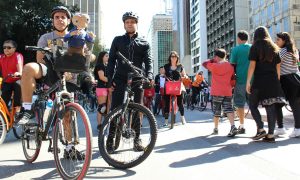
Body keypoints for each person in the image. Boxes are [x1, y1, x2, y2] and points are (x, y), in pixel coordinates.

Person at [15, 6, 72, 124]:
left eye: (63, 17)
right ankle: (27, 108)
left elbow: (86, 56)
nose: (60, 19)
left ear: (69, 21)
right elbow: (40, 60)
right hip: (50, 72)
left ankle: (70, 142)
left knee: (68, 117)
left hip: (69, 77)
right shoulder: (45, 37)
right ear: (53, 21)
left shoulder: (75, 38)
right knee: (29, 67)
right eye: (57, 17)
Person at [106, 11, 154, 153]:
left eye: (132, 21)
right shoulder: (117, 40)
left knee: (137, 108)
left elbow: (148, 61)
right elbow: (111, 61)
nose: (130, 24)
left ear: (136, 24)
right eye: (127, 22)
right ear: (124, 24)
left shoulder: (144, 42)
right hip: (120, 77)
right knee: (115, 108)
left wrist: (150, 76)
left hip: (138, 77)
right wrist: (110, 79)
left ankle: (137, 140)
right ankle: (110, 139)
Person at [246, 26, 286, 143]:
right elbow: (278, 68)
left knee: (252, 105)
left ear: (256, 36)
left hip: (259, 81)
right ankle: (270, 135)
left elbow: (252, 66)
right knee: (271, 107)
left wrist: (248, 81)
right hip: (273, 81)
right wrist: (277, 82)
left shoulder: (255, 47)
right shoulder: (274, 47)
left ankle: (261, 128)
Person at [203, 49, 237, 137]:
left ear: (217, 57)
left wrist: (212, 60)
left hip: (217, 91)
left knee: (216, 111)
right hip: (227, 91)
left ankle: (216, 128)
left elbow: (204, 63)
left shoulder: (214, 65)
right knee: (229, 109)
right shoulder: (230, 66)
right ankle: (233, 126)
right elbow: (233, 79)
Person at [274, 32, 300, 137]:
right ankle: (297, 129)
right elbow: (298, 65)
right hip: (296, 78)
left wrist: (277, 80)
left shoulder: (283, 51)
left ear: (284, 41)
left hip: (286, 79)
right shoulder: (294, 50)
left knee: (277, 103)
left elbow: (277, 65)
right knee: (296, 105)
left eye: (278, 40)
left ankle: (281, 128)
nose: (276, 41)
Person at [230, 30, 252, 134]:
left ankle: (242, 125)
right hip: (253, 80)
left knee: (239, 103)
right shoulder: (253, 47)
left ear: (239, 39)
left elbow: (232, 65)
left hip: (240, 80)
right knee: (254, 104)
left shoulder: (235, 49)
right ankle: (259, 127)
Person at [163, 51, 187, 127]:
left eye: (175, 56)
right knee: (166, 103)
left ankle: (183, 118)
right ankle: (166, 121)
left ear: (177, 58)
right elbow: (163, 73)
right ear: (170, 58)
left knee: (180, 103)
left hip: (177, 85)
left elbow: (184, 74)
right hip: (168, 85)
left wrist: (185, 76)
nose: (173, 58)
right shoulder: (166, 66)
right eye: (172, 56)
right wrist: (162, 75)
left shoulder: (180, 66)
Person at [0, 40, 23, 114]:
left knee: (18, 85)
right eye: (4, 47)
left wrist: (18, 73)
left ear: (14, 48)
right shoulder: (1, 57)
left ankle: (18, 109)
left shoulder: (17, 55)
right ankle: (4, 115)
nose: (6, 49)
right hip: (6, 81)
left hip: (17, 80)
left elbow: (20, 70)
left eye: (9, 47)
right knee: (3, 101)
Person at [94, 51, 111, 130]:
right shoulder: (100, 65)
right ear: (102, 57)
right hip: (101, 88)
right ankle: (99, 125)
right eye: (106, 56)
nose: (108, 57)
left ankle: (103, 124)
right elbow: (101, 77)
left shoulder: (105, 65)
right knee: (102, 107)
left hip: (104, 88)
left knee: (105, 107)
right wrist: (111, 80)